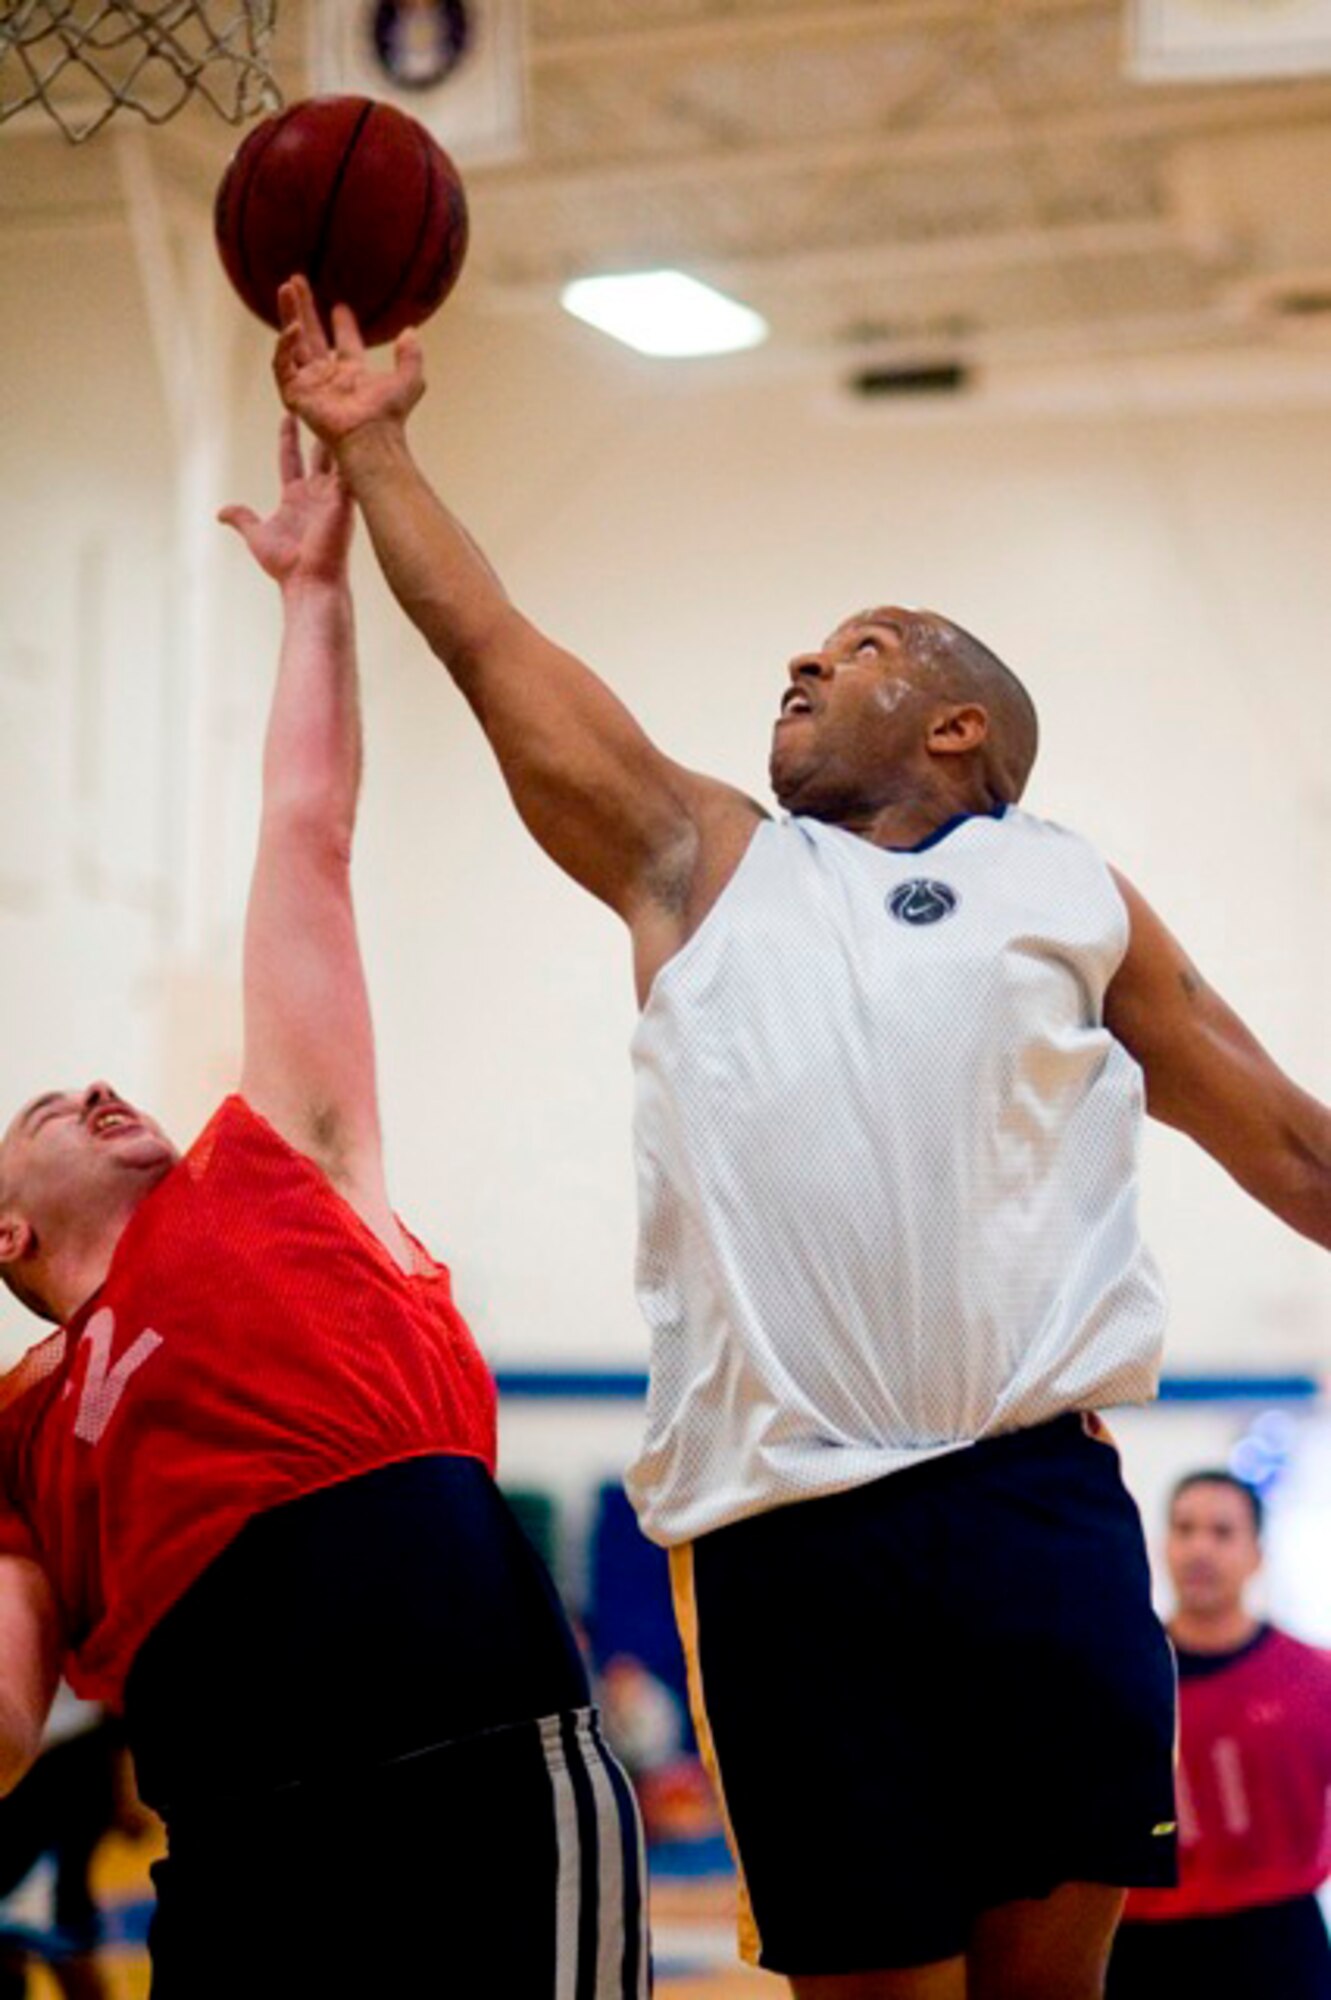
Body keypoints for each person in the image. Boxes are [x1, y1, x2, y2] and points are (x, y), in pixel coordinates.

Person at [273, 277, 1331, 2000]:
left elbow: (1294, 1147)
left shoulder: (1064, 886)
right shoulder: (700, 860)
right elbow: (492, 646)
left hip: (1031, 1504)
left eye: (852, 651)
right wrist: (377, 442)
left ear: (955, 726)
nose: (798, 664)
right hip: (793, 1544)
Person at [0, 421, 647, 2000]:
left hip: (486, 1783)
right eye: (38, 1112)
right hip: (240, 1849)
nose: (92, 1088)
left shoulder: (276, 1159)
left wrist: (312, 594)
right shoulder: (20, 1435)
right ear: (6, 1241)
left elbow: (307, 832)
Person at [1108, 1470, 1331, 1999]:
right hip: (1145, 1949)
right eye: (1184, 1529)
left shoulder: (1313, 1679)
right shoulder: (1120, 1677)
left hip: (1276, 1945)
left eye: (1221, 1532)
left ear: (1256, 1553)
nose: (1199, 1549)